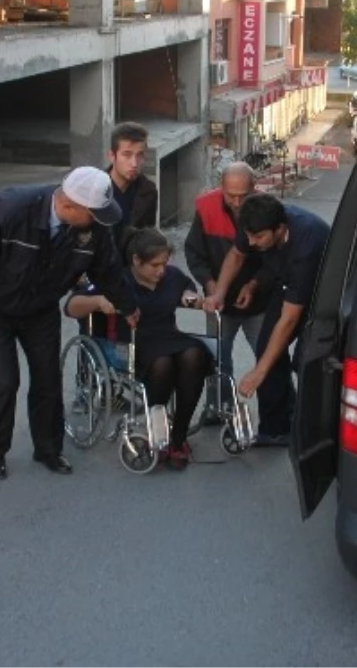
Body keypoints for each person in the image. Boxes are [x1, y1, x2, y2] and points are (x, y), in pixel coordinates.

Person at [0, 166, 138, 481]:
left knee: (47, 380)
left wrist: (129, 305)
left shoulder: (94, 228)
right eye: (94, 214)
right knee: (4, 382)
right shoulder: (11, 209)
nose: (100, 222)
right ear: (70, 206)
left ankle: (48, 449)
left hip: (40, 309)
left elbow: (108, 269)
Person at [65, 229, 211, 470]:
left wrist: (196, 300)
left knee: (194, 355)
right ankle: (159, 431)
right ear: (136, 261)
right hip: (129, 343)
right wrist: (99, 302)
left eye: (164, 264)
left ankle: (179, 436)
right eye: (154, 265)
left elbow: (187, 294)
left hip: (167, 335)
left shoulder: (172, 277)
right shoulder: (117, 281)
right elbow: (71, 306)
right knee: (162, 362)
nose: (161, 271)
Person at [203, 194, 330, 446]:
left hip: (322, 291)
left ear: (280, 229)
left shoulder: (307, 243)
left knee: (306, 360)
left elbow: (289, 319)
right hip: (286, 283)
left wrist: (257, 374)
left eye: (259, 237)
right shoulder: (254, 224)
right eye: (249, 236)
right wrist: (221, 292)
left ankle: (314, 431)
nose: (251, 242)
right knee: (266, 350)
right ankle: (275, 429)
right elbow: (237, 255)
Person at [184, 162, 270, 423]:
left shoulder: (267, 210)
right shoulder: (206, 207)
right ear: (220, 187)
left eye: (243, 196)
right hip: (218, 304)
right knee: (216, 357)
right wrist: (210, 286)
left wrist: (254, 284)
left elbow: (275, 260)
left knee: (268, 359)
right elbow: (194, 253)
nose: (236, 202)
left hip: (259, 303)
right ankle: (218, 409)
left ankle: (276, 414)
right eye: (230, 195)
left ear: (254, 188)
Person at [107, 122, 158, 255]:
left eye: (139, 155)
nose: (134, 163)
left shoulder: (148, 191)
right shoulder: (96, 189)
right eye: (127, 155)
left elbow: (146, 236)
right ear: (112, 156)